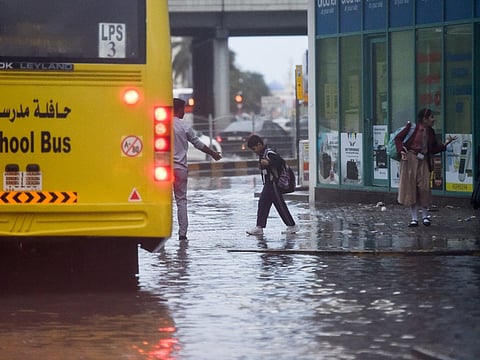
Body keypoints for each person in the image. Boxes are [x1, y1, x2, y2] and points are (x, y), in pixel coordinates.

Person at [395, 108, 456, 227]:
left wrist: (445, 144)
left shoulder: (431, 132)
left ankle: (425, 216)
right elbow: (398, 139)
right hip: (410, 159)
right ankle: (414, 218)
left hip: (423, 160)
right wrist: (401, 150)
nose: (433, 120)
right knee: (410, 188)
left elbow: (432, 149)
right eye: (431, 117)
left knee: (424, 188)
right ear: (425, 119)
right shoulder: (412, 128)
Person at [173, 98, 222, 240]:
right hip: (180, 169)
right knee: (181, 201)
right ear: (178, 109)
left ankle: (162, 233)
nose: (184, 112)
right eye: (183, 109)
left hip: (162, 170)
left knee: (163, 202)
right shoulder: (184, 126)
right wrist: (213, 153)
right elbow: (198, 143)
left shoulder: (159, 126)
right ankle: (182, 234)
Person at [245, 134, 298, 235]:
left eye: (254, 148)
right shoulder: (262, 154)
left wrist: (268, 163)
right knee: (263, 204)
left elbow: (280, 162)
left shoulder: (268, 153)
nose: (254, 151)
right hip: (268, 184)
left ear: (259, 144)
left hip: (275, 184)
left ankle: (292, 225)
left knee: (279, 205)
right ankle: (259, 227)